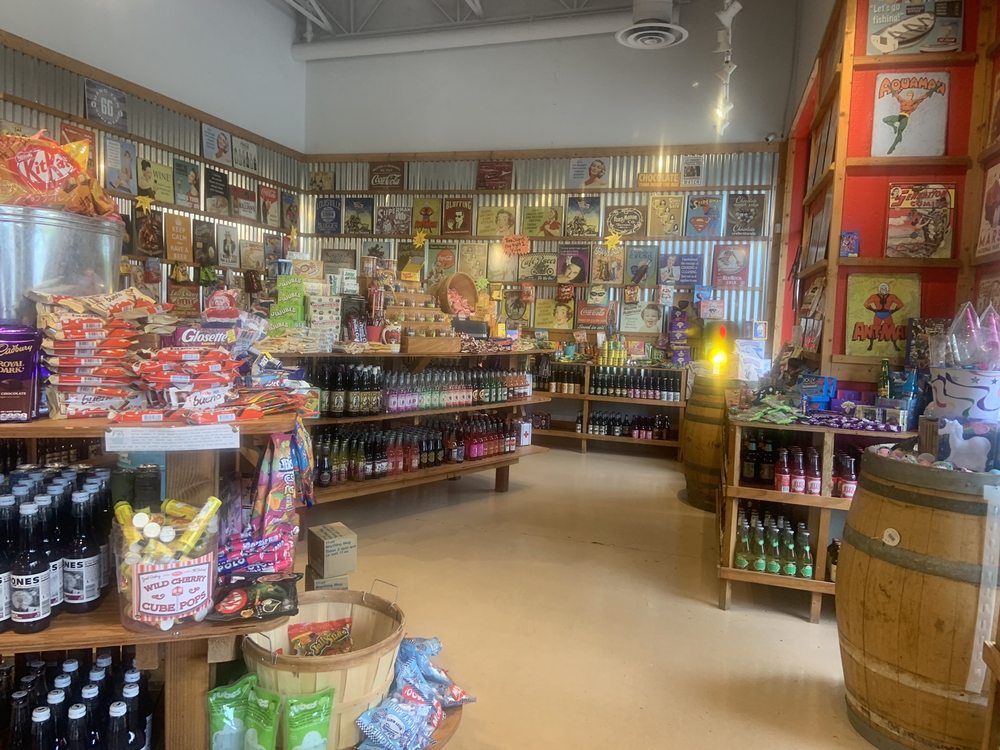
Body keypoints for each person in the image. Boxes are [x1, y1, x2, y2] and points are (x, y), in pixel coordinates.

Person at [882, 87, 935, 155]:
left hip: (905, 118)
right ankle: (894, 126)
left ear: (912, 96)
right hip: (899, 116)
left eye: (911, 95)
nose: (909, 96)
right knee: (885, 119)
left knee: (899, 133)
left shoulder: (914, 102)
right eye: (908, 94)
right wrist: (890, 87)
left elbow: (923, 97)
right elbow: (896, 95)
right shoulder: (903, 101)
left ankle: (893, 147)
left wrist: (934, 89)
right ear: (907, 95)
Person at [862, 282, 905, 351]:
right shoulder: (874, 296)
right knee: (874, 329)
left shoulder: (892, 296)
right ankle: (871, 345)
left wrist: (893, 311)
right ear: (879, 289)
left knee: (891, 330)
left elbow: (900, 304)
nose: (883, 289)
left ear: (888, 289)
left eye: (885, 288)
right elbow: (866, 304)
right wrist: (873, 310)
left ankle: (895, 345)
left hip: (887, 315)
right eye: (882, 288)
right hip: (878, 314)